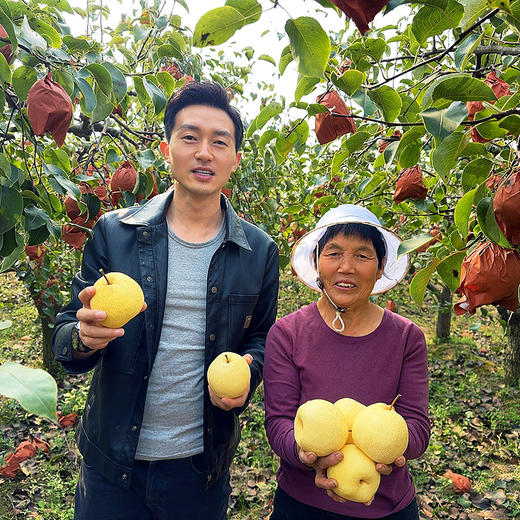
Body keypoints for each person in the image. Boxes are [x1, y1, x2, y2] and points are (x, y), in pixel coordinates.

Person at [52, 81, 279, 520]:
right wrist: (83, 337)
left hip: (199, 468)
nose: (204, 152)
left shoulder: (259, 250)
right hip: (112, 466)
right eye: (190, 137)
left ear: (235, 158)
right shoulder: (115, 233)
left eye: (220, 142)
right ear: (166, 148)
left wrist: (249, 373)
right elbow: (65, 335)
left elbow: (262, 338)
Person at [263, 204, 430, 520]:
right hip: (303, 506)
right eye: (334, 253)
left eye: (363, 256)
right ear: (316, 262)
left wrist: (393, 448)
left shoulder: (407, 337)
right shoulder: (287, 334)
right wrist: (305, 454)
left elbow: (418, 426)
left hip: (387, 507)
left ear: (380, 267)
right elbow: (279, 422)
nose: (347, 267)